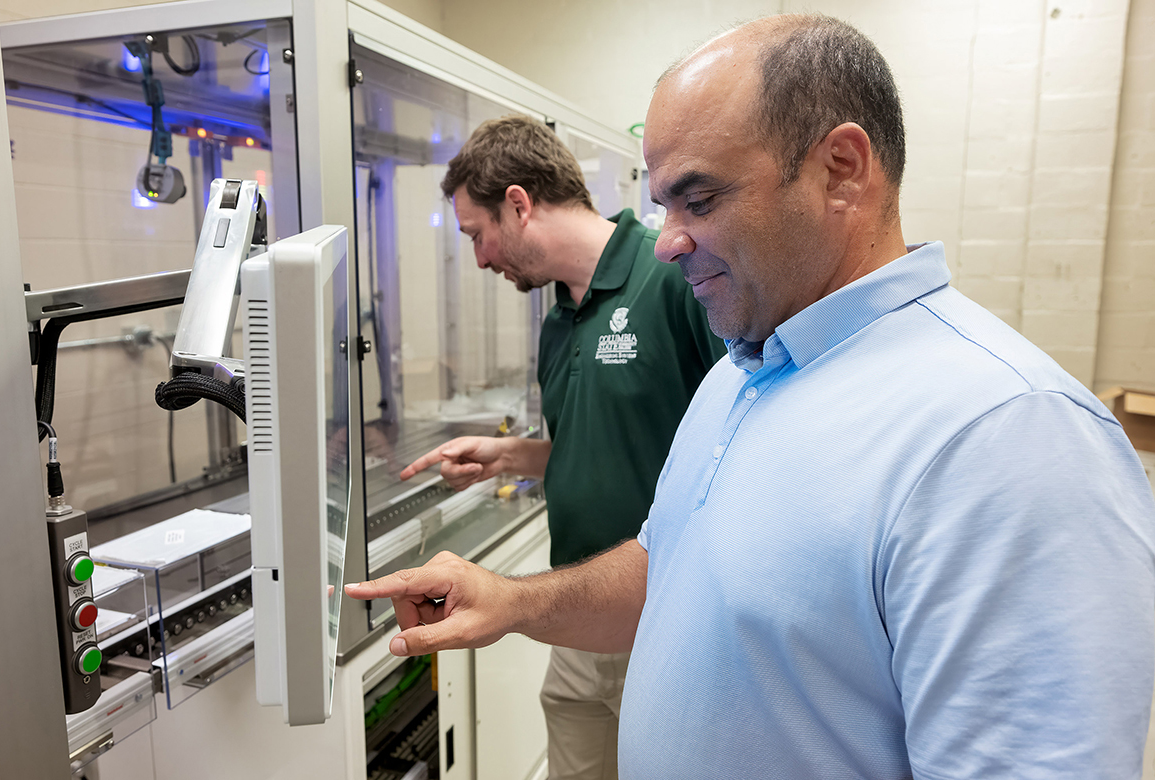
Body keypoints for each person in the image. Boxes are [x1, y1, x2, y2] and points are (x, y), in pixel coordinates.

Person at [348, 14, 1155, 779]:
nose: (666, 240)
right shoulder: (748, 369)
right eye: (663, 203)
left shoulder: (1010, 437)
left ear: (842, 170)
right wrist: (513, 601)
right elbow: (670, 565)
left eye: (698, 199)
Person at [395, 114, 725, 780]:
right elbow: (605, 447)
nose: (481, 258)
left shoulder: (670, 280)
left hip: (666, 620)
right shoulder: (556, 322)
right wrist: (509, 458)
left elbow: (744, 442)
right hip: (573, 619)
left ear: (518, 205)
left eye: (478, 236)